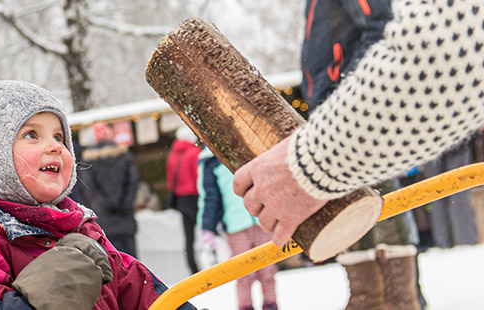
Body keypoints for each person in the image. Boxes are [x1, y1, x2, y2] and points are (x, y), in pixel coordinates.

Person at [232, 0, 484, 247]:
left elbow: (451, 44)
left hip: (358, 111)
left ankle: (400, 294)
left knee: (383, 216)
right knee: (357, 226)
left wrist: (322, 149)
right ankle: (371, 294)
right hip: (341, 117)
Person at [0, 73, 196, 309]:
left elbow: (138, 289)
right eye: (31, 134)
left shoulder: (81, 230)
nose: (55, 146)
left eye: (59, 136)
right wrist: (50, 286)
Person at [296, 1, 426, 309]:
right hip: (332, 113)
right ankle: (369, 297)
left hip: (359, 110)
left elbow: (383, 24)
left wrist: (354, 88)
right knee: (351, 207)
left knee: (380, 201)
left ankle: (399, 299)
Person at [197, 147, 277, 310]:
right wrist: (208, 228)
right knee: (244, 272)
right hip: (235, 224)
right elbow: (210, 198)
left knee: (268, 269)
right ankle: (245, 306)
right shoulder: (211, 162)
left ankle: (271, 305)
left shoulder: (246, 148)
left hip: (262, 218)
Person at [79, 121, 140, 257]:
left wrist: (103, 205)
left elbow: (89, 189)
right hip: (125, 217)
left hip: (104, 220)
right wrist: (125, 202)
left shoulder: (88, 161)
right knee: (133, 261)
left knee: (114, 262)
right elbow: (133, 182)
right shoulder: (124, 156)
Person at [165, 127, 203, 273]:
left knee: (189, 237)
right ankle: (212, 261)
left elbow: (170, 181)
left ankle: (193, 267)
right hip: (195, 196)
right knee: (206, 230)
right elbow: (198, 177)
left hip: (181, 199)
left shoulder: (172, 155)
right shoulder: (195, 153)